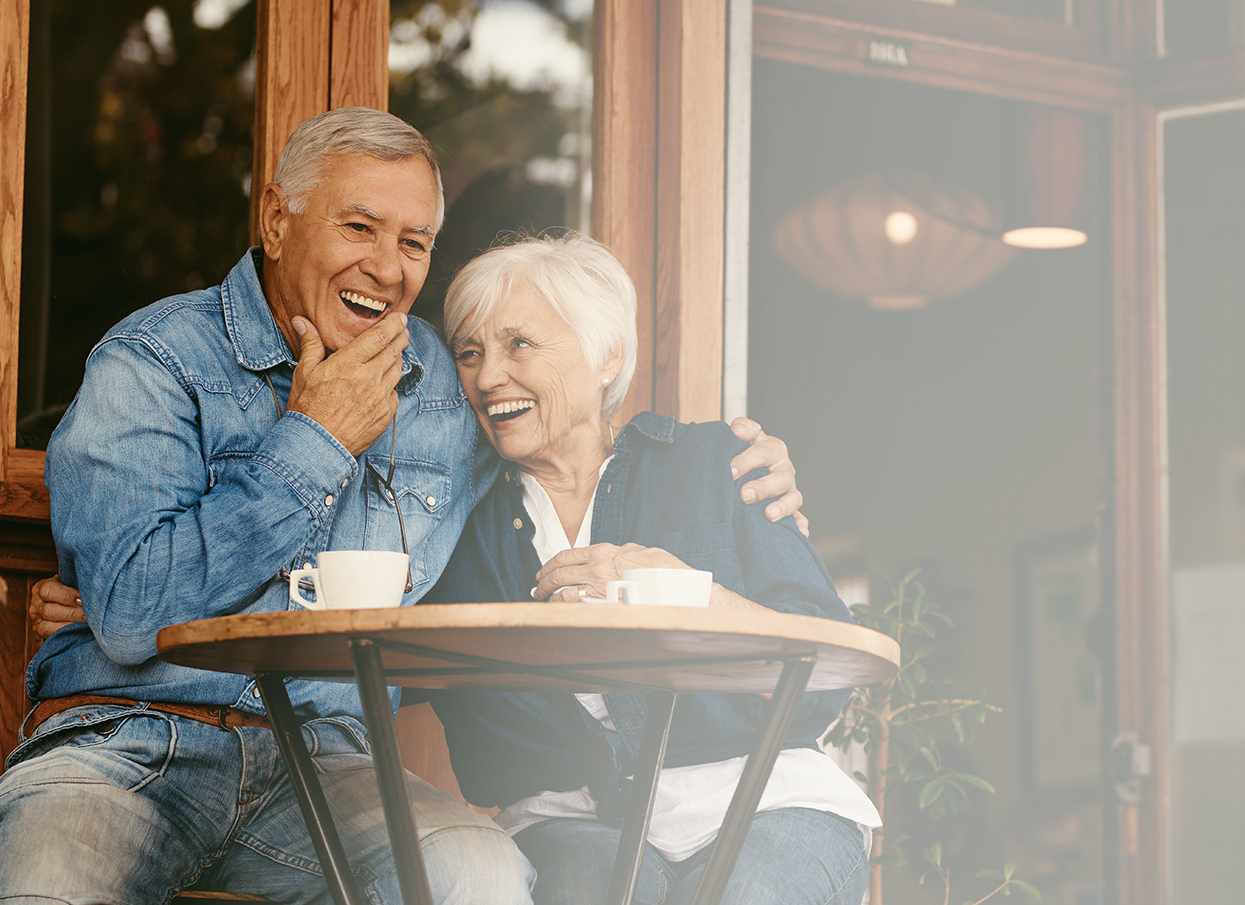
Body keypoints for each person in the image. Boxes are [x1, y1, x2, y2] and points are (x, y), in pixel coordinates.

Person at [7, 107, 804, 904]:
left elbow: (565, 443)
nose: (388, 269)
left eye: (414, 243)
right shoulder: (153, 360)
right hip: (129, 737)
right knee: (47, 887)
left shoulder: (445, 386)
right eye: (360, 227)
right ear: (277, 221)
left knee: (482, 877)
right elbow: (132, 608)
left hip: (331, 761)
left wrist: (733, 463)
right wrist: (316, 437)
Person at [424, 234, 877, 905]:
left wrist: (680, 595)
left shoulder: (717, 462)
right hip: (571, 817)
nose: (489, 376)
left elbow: (824, 676)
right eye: (470, 352)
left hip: (765, 799)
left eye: (519, 344)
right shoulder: (453, 523)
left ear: (606, 356)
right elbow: (486, 755)